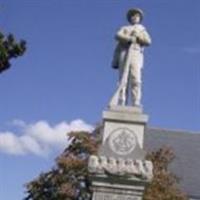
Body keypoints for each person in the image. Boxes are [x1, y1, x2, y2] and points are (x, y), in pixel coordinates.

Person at [109, 8, 151, 107]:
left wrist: (139, 37)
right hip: (125, 52)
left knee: (136, 78)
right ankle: (121, 100)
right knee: (123, 78)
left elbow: (148, 41)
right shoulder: (125, 28)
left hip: (136, 53)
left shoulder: (142, 29)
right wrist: (129, 38)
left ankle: (136, 101)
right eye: (133, 16)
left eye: (137, 16)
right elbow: (117, 35)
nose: (135, 17)